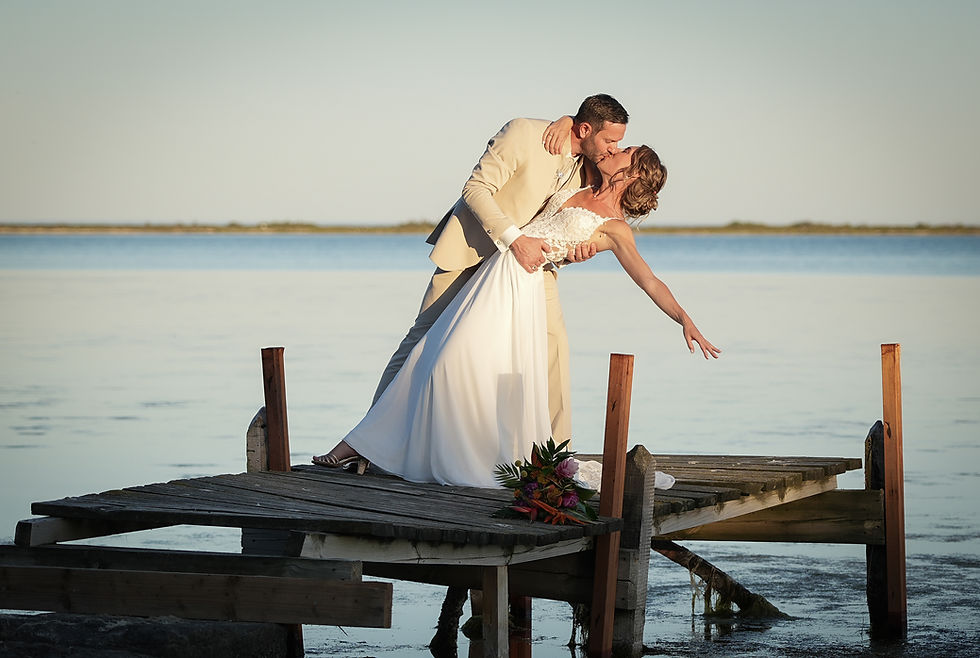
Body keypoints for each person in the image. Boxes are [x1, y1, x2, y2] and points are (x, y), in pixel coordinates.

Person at [314, 144, 720, 487]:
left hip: (521, 289)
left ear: (630, 174)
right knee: (431, 359)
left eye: (625, 152)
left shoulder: (615, 229)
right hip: (494, 273)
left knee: (449, 363)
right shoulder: (577, 180)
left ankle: (459, 457)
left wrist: (684, 318)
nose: (614, 150)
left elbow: (648, 280)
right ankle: (357, 446)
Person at [366, 95, 630, 447]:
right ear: (585, 129)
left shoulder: (591, 164)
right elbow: (475, 189)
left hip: (530, 271)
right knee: (421, 341)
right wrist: (513, 238)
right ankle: (366, 444)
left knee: (554, 348)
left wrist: (573, 255)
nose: (615, 148)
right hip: (473, 249)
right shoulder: (523, 133)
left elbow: (574, 220)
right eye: (610, 140)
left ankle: (556, 456)